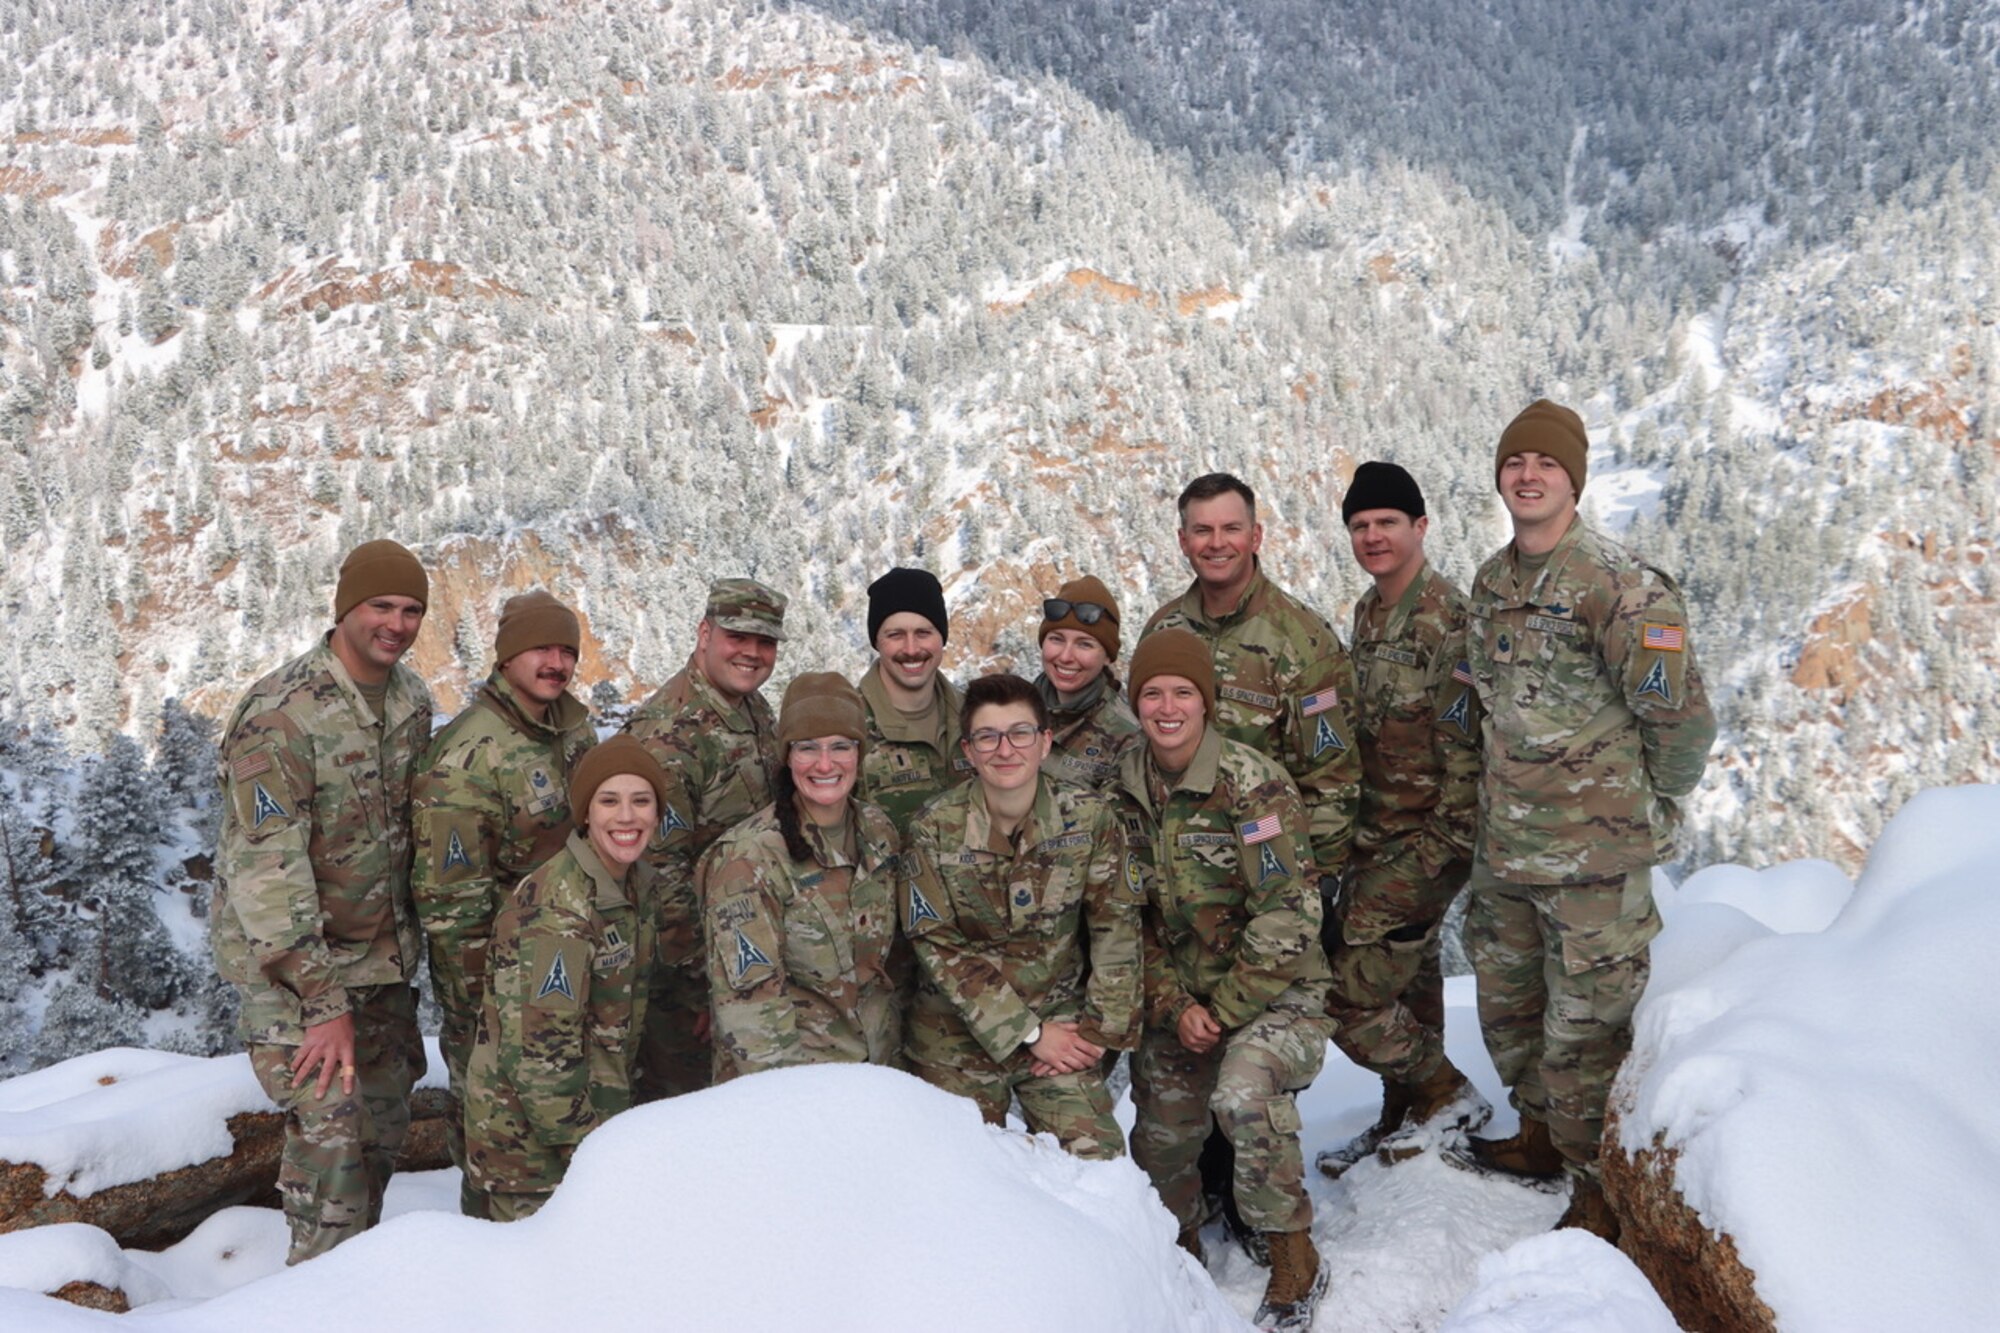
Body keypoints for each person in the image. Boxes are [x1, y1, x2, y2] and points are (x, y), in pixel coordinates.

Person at [1449, 400, 1716, 1242]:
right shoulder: (1494, 582)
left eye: (1546, 463)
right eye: (1514, 461)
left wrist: (1651, 811)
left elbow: (1680, 721)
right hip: (1508, 854)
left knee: (1587, 1036)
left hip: (1594, 865)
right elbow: (1490, 707)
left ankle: (1602, 1195)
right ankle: (1539, 1138)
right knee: (1511, 1013)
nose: (1528, 475)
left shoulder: (1622, 586)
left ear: (1575, 478)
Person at [1141, 472, 1359, 1262]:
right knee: (1176, 1096)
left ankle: (1278, 1226)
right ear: (1182, 540)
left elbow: (1332, 778)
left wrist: (1313, 890)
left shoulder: (1300, 640)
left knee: (1249, 1077)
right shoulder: (1166, 628)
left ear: (1256, 535)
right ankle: (1209, 1201)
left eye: (1231, 528)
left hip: (1273, 893)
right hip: (1188, 906)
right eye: (1200, 529)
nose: (1216, 542)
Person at [212, 539, 433, 1264]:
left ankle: (355, 1295)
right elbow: (267, 872)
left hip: (379, 969)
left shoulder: (408, 699)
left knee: (378, 1145)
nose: (396, 624)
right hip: (297, 984)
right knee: (332, 1168)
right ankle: (315, 1303)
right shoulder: (281, 714)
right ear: (344, 607)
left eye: (411, 609)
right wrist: (320, 1000)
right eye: (381, 605)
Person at [1115, 630, 1331, 1333]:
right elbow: (1125, 920)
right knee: (1159, 1137)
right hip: (1182, 999)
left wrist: (1224, 1004)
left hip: (1276, 992)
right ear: (1135, 701)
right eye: (1152, 693)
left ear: (1206, 703)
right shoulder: (1123, 788)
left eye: (1183, 692)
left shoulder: (1250, 781)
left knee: (1241, 1093)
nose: (1167, 706)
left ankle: (1294, 1250)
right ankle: (1177, 1244)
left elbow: (1291, 913)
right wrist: (1176, 1005)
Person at [1315, 464, 1490, 1180]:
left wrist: (1429, 859)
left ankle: (1446, 1089)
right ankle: (1408, 1107)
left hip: (1428, 842)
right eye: (1360, 525)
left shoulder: (1449, 621)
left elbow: (1468, 760)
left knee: (1341, 988)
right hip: (1374, 834)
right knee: (1410, 979)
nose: (1372, 536)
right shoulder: (1371, 611)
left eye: (1387, 521)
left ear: (1420, 527)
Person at [902, 673, 1143, 1159]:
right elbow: (937, 946)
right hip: (956, 1037)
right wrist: (1027, 1032)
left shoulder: (1089, 819)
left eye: (1020, 733)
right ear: (969, 751)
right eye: (988, 737)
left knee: (1100, 1165)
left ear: (1044, 742)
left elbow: (1116, 927)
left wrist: (1097, 1034)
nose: (1005, 749)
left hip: (1058, 1025)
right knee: (956, 1170)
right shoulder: (934, 829)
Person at [412, 589, 596, 1217]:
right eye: (541, 648)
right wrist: (480, 1019)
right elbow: (450, 910)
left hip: (569, 980)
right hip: (498, 997)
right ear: (507, 655)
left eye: (567, 650)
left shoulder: (574, 730)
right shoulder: (466, 759)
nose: (556, 662)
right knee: (496, 1154)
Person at [462, 736, 664, 1220]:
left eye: (641, 801)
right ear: (585, 813)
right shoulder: (559, 909)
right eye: (609, 801)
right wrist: (591, 1154)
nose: (626, 817)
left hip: (588, 1128)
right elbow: (540, 1061)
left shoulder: (632, 885)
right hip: (536, 1156)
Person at [623, 578, 788, 1102]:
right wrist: (705, 985)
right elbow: (657, 875)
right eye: (738, 637)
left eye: (766, 643)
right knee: (688, 1117)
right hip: (686, 985)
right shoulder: (671, 734)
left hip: (740, 956)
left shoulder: (753, 710)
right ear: (704, 633)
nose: (752, 653)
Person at [702, 673, 904, 1081]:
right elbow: (753, 1018)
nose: (825, 764)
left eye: (840, 747)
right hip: (796, 1086)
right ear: (787, 757)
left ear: (859, 752)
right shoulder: (749, 859)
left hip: (878, 1073)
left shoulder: (879, 832)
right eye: (807, 747)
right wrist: (798, 1113)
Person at [853, 566, 970, 836]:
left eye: (923, 633)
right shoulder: (846, 724)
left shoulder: (974, 718)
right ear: (877, 642)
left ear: (942, 637)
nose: (911, 649)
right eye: (895, 635)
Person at [1033, 575, 1141, 790]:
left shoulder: (1126, 738)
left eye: (1084, 644)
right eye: (1057, 639)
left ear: (1108, 657)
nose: (1065, 656)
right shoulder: (1014, 712)